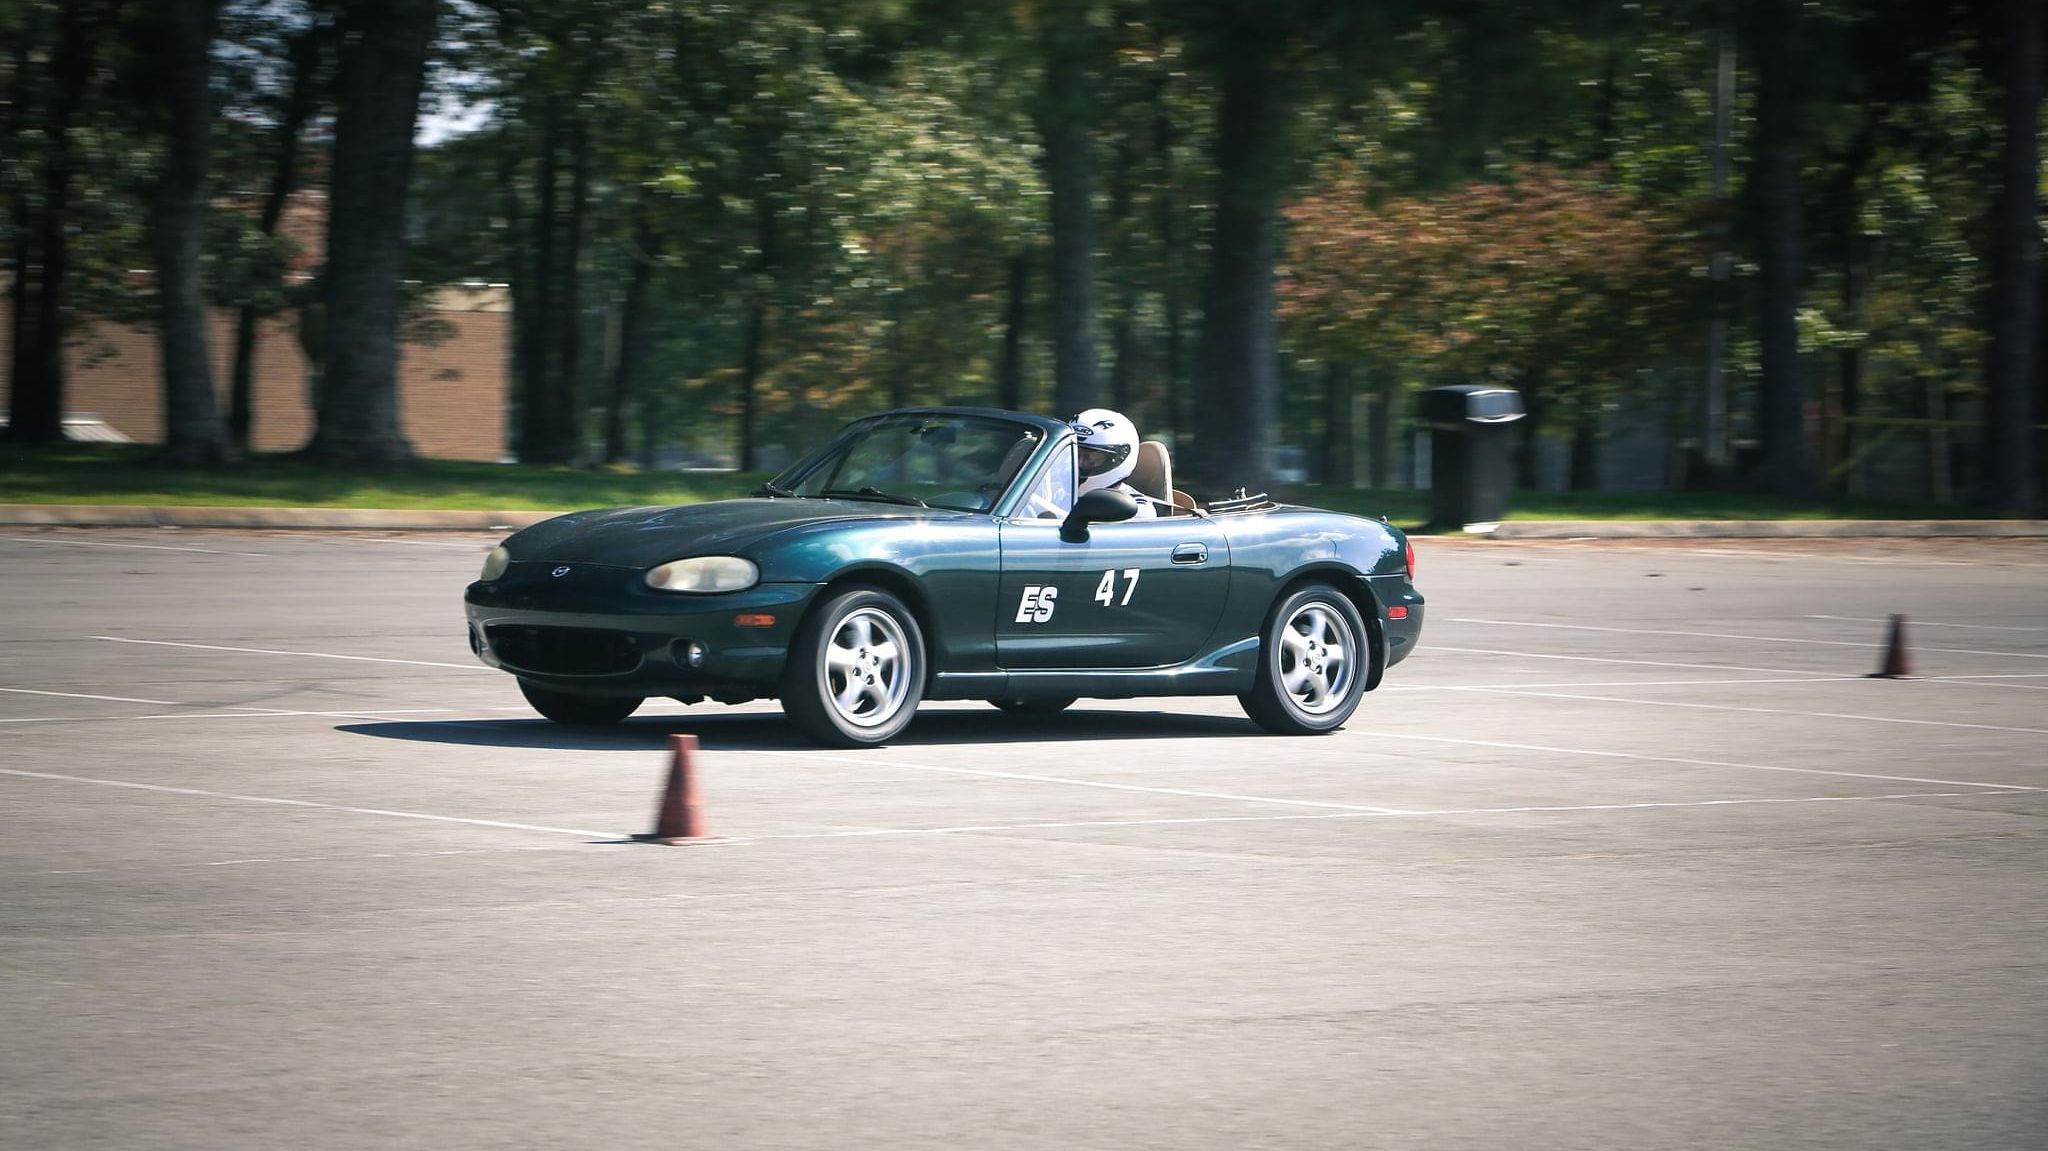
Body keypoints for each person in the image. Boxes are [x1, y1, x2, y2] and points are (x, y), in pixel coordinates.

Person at [1071, 407, 1158, 520]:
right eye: (1073, 453)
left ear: (1119, 458)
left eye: (1092, 456)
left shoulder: (1137, 510)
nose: (1079, 463)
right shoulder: (1057, 490)